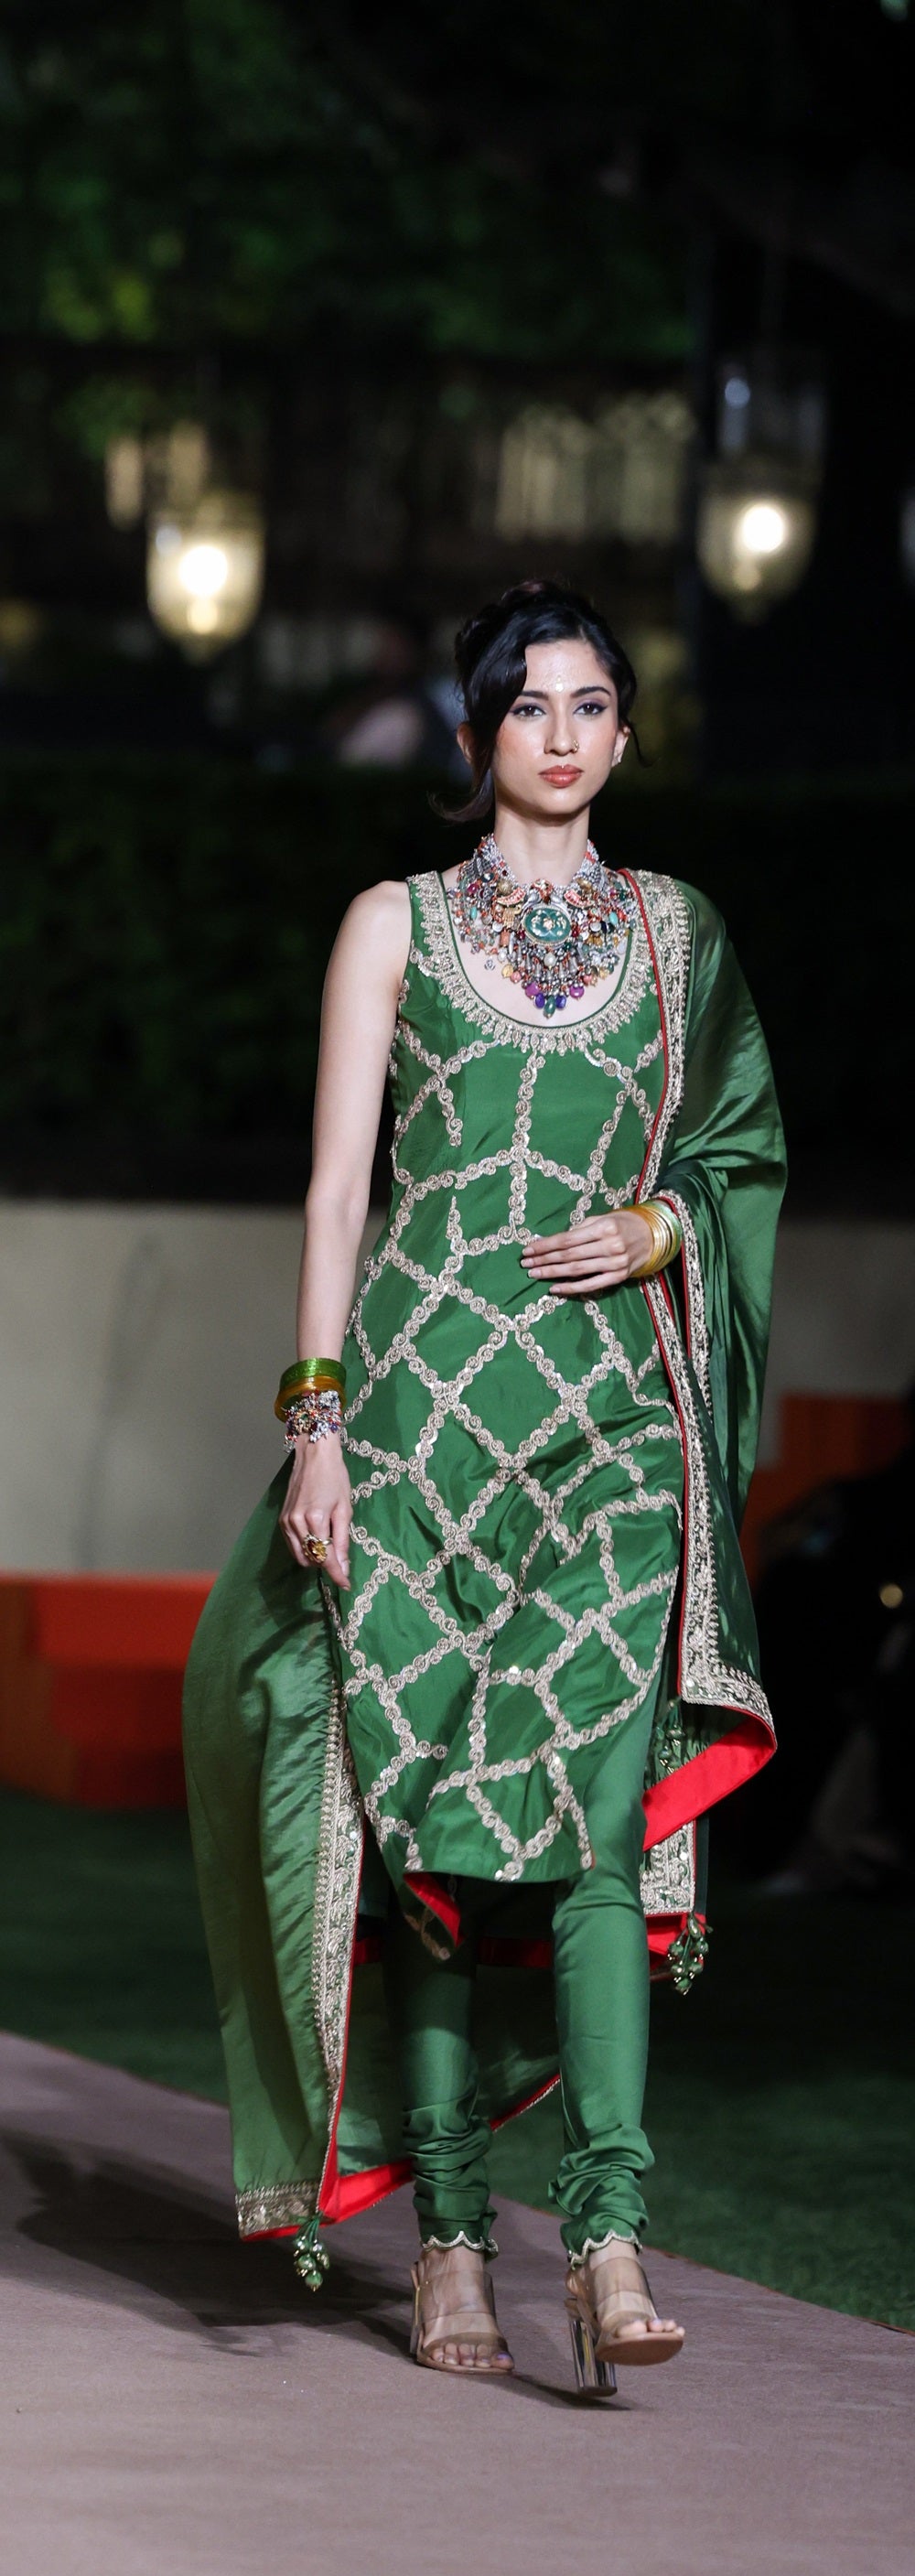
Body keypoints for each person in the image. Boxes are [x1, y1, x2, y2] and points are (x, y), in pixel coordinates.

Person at [184, 578, 785, 2395]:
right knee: (440, 1838)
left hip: (609, 1428)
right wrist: (316, 1421)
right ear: (475, 733)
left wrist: (658, 1224)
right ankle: (451, 2231)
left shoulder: (676, 935)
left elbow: (738, 1151)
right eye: (529, 705)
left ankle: (605, 2232)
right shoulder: (395, 922)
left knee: (586, 1817)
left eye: (591, 704)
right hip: (421, 1423)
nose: (562, 734)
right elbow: (334, 1195)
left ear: (624, 731)